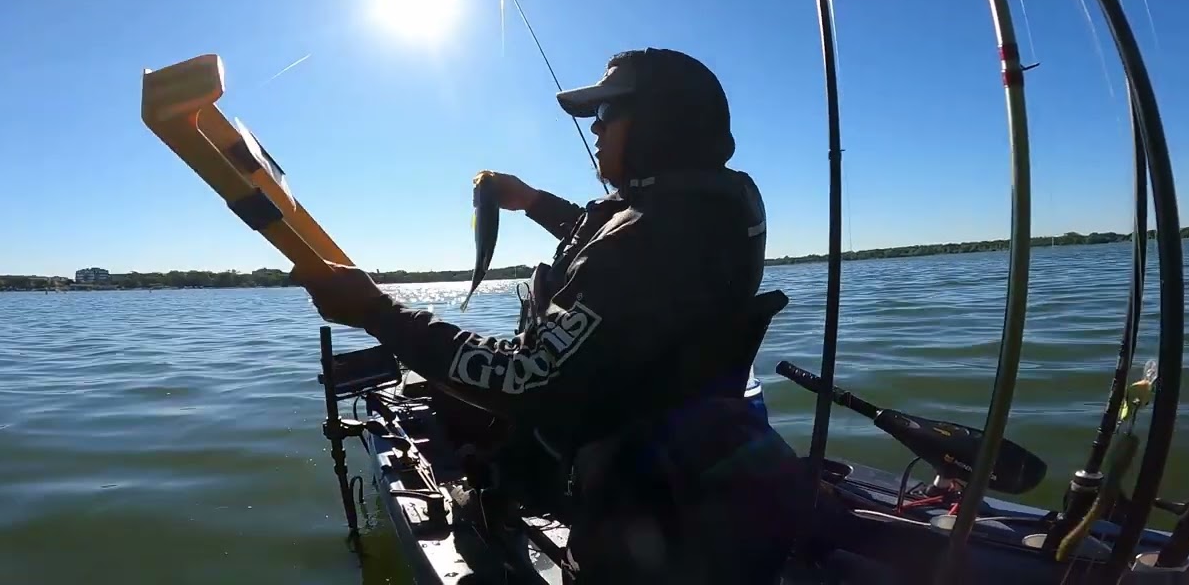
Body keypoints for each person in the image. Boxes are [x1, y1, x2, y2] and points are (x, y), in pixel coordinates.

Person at [294, 47, 810, 584]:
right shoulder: (719, 199)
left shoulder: (644, 242)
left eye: (607, 116)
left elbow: (523, 378)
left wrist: (378, 312)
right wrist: (531, 200)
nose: (595, 131)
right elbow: (613, 228)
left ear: (659, 124)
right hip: (703, 462)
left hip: (647, 515)